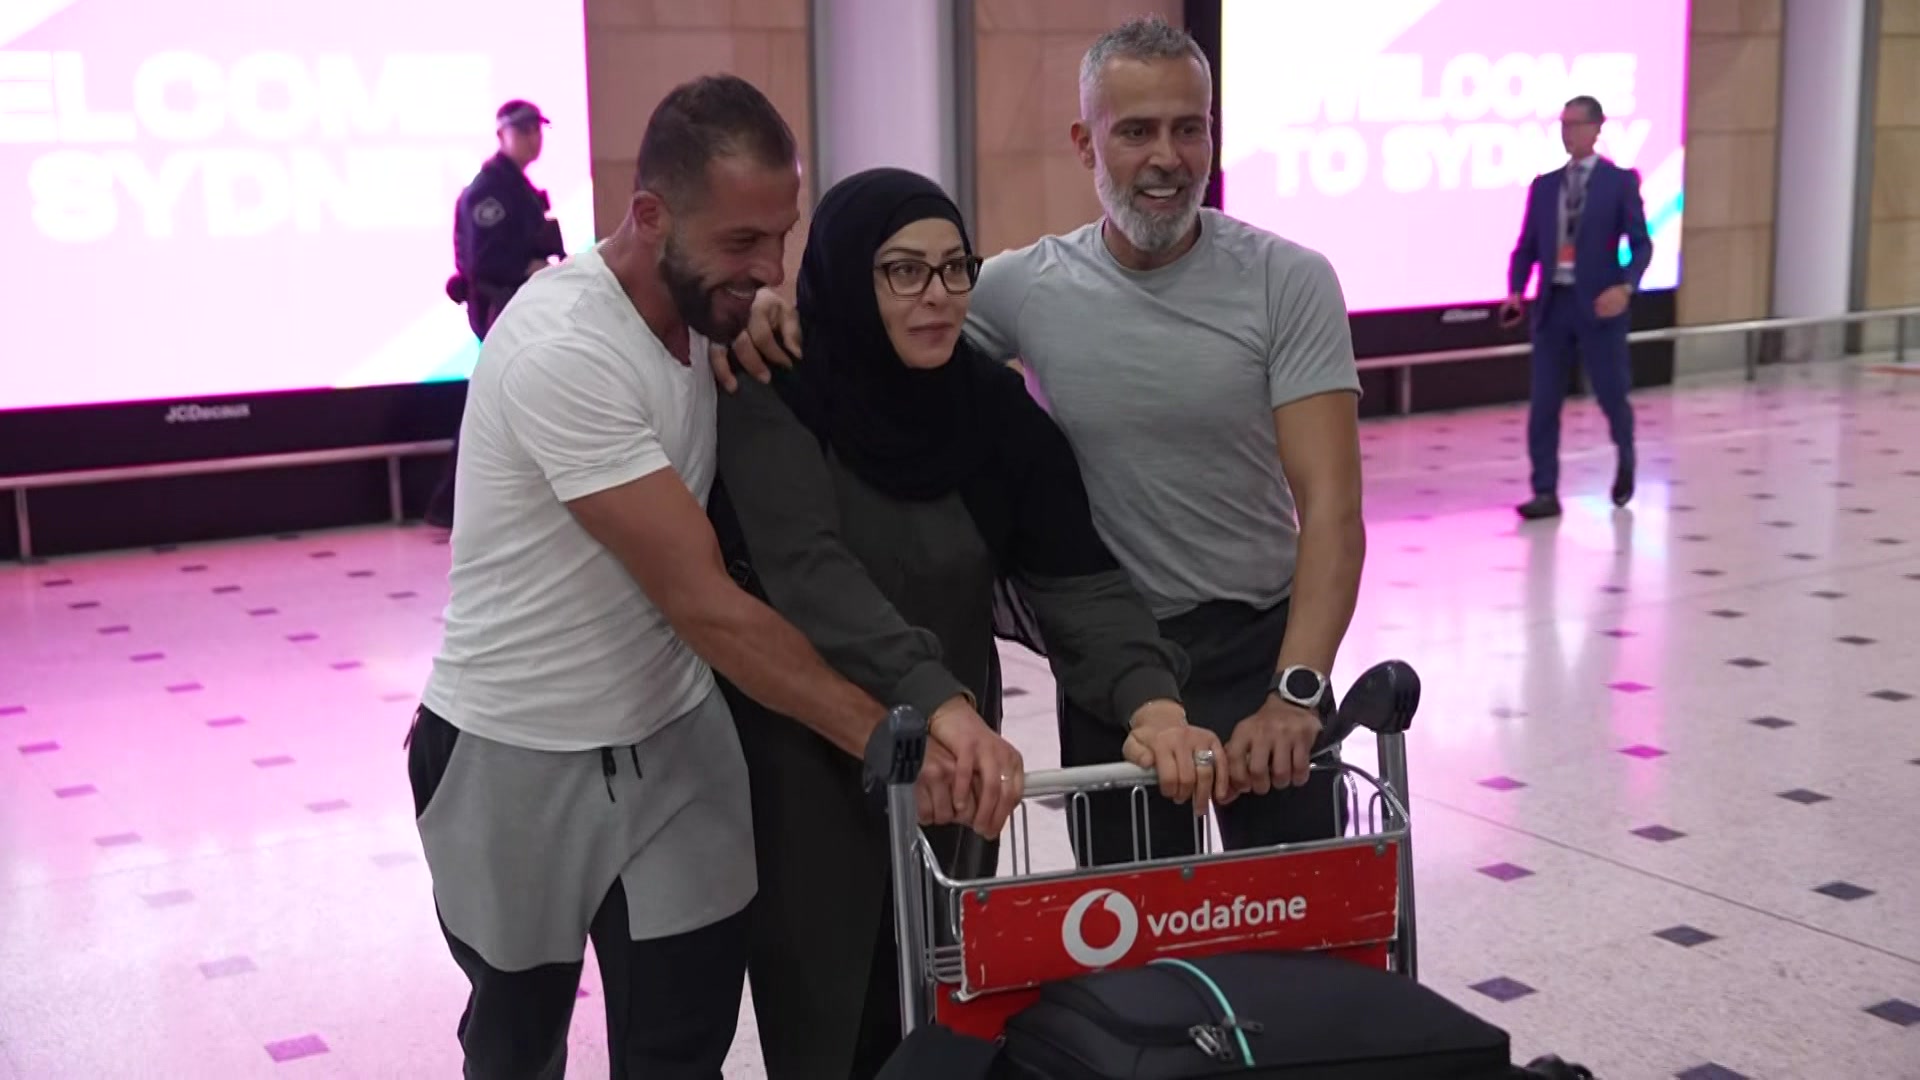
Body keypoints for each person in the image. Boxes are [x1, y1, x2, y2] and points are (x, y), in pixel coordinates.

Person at [406, 76, 1022, 1080]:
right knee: (517, 1046)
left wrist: (760, 300)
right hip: (516, 751)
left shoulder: (715, 316)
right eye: (741, 244)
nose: (765, 267)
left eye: (778, 236)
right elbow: (708, 607)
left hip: (676, 749)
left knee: (683, 1044)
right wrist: (891, 738)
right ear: (649, 217)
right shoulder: (564, 348)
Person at [724, 15, 1368, 869]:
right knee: (1132, 935)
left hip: (1262, 645)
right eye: (1135, 131)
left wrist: (1297, 691)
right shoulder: (1022, 287)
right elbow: (886, 324)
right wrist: (778, 311)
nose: (1167, 158)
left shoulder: (1288, 280)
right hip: (1113, 659)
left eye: (1190, 127)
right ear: (1085, 142)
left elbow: (1330, 509)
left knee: (1299, 918)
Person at [710, 166, 1233, 1080]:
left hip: (956, 772)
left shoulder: (986, 407)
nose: (937, 296)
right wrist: (937, 703)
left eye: (956, 269)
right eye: (903, 271)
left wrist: (1151, 701)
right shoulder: (776, 392)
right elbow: (813, 578)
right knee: (827, 1018)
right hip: (808, 761)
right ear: (847, 277)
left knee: (946, 1010)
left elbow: (1079, 576)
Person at [1499, 94, 1653, 521]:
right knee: (1544, 402)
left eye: (1575, 124)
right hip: (1553, 306)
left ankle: (1625, 457)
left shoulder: (1619, 183)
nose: (1567, 133)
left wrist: (1626, 286)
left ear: (1597, 127)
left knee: (1610, 393)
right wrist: (1516, 290)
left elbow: (1641, 244)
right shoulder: (1545, 186)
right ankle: (1544, 490)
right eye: (1563, 124)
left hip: (1600, 307)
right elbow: (1527, 246)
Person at [428, 99, 570, 528]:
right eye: (524, 130)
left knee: (504, 403)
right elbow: (484, 262)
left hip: (521, 309)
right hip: (500, 308)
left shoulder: (518, 186)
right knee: (490, 405)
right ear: (502, 134)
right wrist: (528, 267)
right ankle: (451, 503)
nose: (533, 137)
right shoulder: (490, 189)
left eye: (537, 129)